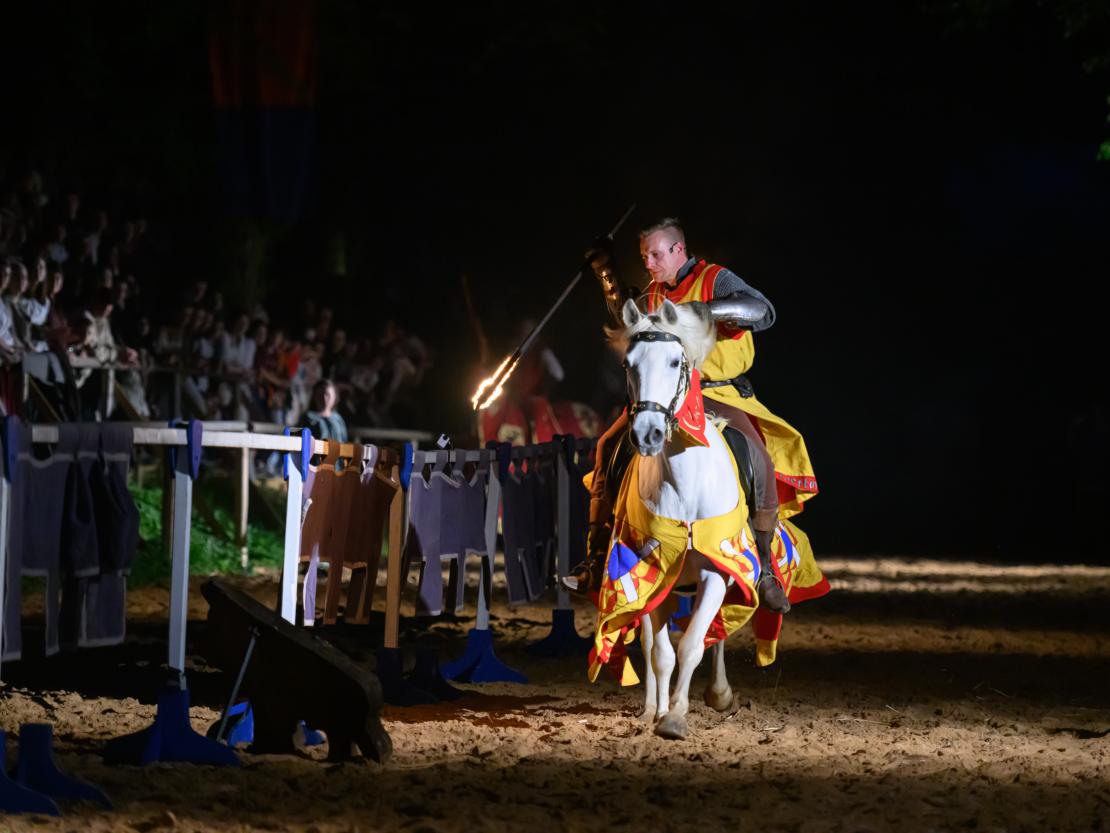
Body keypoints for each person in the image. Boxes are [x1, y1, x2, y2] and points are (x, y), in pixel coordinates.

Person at [572, 218, 818, 613]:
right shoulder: (653, 293)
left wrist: (703, 311)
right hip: (666, 398)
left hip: (718, 395)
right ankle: (597, 555)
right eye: (644, 256)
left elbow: (762, 310)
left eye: (655, 254)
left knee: (756, 456)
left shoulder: (715, 278)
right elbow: (627, 317)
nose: (649, 264)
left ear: (678, 250)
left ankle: (765, 567)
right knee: (607, 447)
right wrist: (606, 273)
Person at [304, 378, 348, 443]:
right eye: (320, 395)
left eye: (328, 395)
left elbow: (344, 440)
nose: (324, 398)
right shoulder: (308, 418)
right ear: (314, 396)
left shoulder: (338, 419)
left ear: (335, 397)